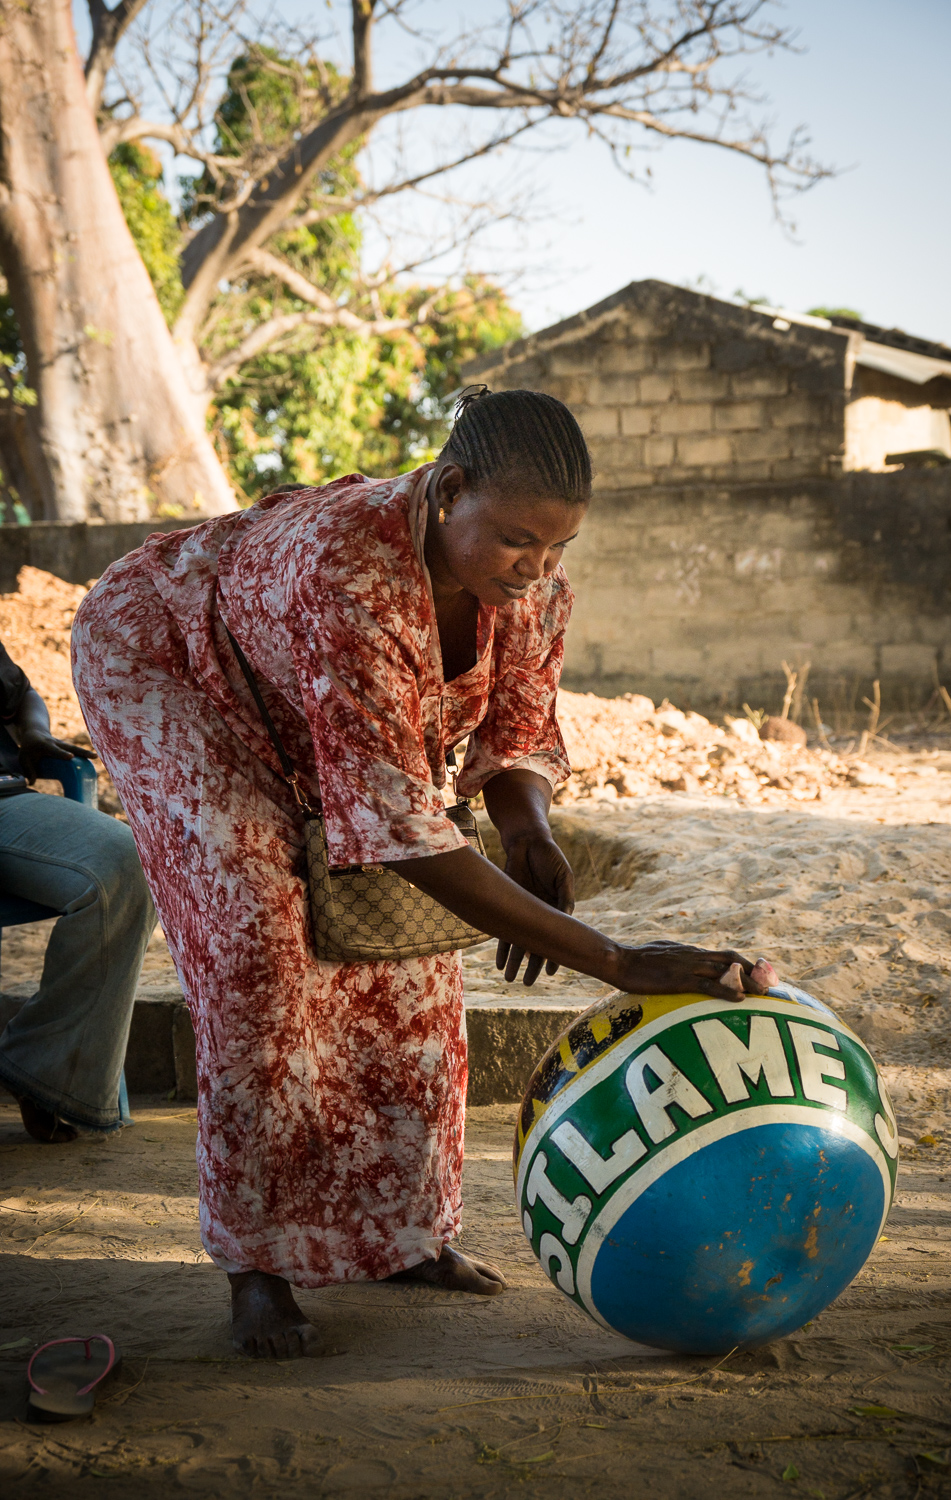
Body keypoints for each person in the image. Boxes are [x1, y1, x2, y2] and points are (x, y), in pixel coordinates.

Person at [71, 387, 776, 1360]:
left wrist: (526, 833)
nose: (537, 569)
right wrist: (611, 960)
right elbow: (398, 826)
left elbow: (516, 728)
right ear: (448, 493)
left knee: (406, 957)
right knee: (258, 942)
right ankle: (257, 1264)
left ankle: (404, 1236)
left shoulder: (530, 586)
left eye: (558, 547)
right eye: (517, 541)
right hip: (166, 661)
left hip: (294, 681)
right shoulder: (351, 570)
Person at [0, 642, 157, 1141]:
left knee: (128, 864)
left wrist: (34, 732)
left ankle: (41, 1068)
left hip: (4, 801)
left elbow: (20, 693)